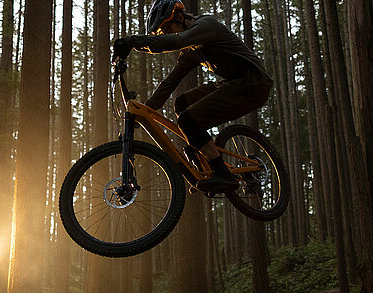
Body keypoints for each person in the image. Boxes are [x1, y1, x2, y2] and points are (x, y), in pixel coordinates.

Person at [113, 0, 273, 193]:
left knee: (187, 120)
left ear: (180, 17)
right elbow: (170, 82)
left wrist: (133, 42)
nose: (167, 34)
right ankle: (202, 151)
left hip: (253, 84)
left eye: (166, 28)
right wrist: (146, 110)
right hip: (233, 83)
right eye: (163, 32)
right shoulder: (192, 51)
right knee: (182, 104)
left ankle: (223, 173)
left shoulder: (207, 25)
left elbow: (176, 41)